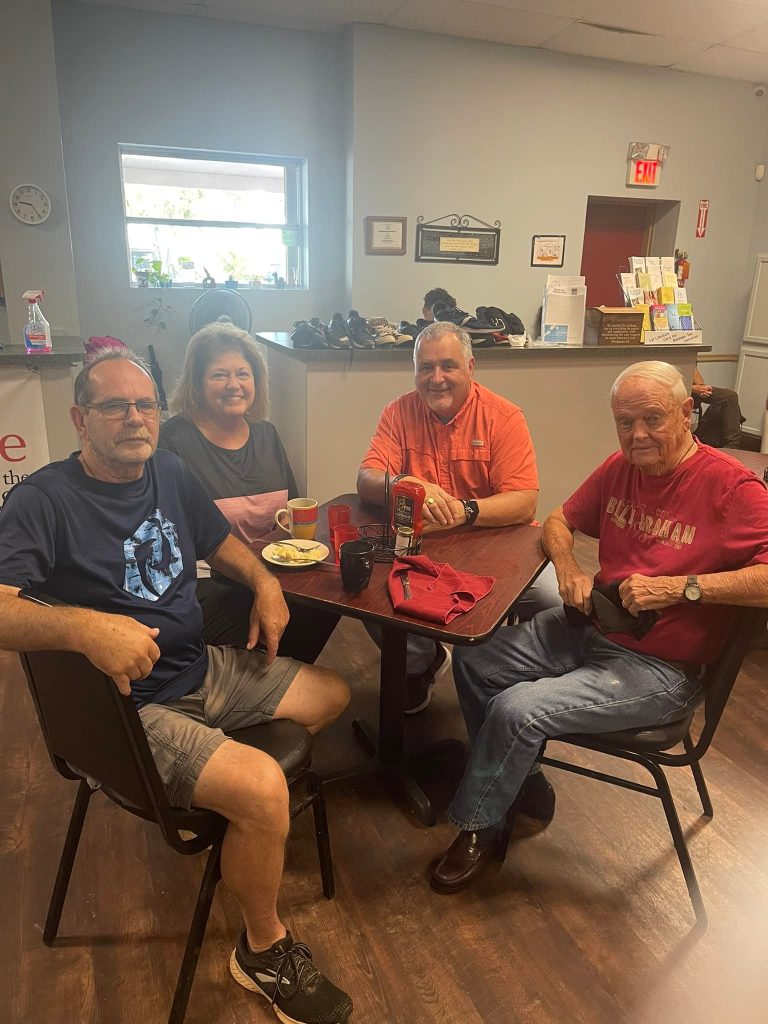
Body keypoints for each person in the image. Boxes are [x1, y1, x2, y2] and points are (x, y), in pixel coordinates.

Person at [0, 350, 353, 1024]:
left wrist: (265, 581)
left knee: (331, 693)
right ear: (80, 418)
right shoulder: (42, 500)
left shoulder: (168, 470)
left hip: (199, 667)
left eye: (146, 405)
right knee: (263, 788)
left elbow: (218, 542)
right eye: (114, 406)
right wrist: (85, 628)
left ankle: (235, 805)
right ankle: (262, 950)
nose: (135, 418)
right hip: (127, 708)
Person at [429, 360, 768, 895]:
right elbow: (558, 520)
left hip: (662, 668)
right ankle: (520, 779)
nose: (637, 435)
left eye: (652, 419)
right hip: (594, 628)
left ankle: (479, 825)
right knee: (474, 656)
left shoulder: (731, 488)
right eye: (624, 423)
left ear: (686, 413)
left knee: (517, 708)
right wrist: (568, 567)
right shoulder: (620, 468)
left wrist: (682, 588)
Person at [357, 321, 561, 820]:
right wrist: (405, 483)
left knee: (554, 600)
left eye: (448, 365)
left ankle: (523, 692)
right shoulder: (397, 412)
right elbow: (366, 478)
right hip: (424, 548)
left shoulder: (504, 416)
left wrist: (466, 511)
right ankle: (420, 663)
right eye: (425, 367)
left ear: (471, 366)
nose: (437, 378)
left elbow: (524, 501)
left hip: (498, 543)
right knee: (365, 589)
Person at [157, 321, 339, 662]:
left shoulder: (267, 434)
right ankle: (263, 677)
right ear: (197, 382)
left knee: (333, 595)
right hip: (208, 583)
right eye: (219, 375)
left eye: (243, 374)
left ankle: (280, 676)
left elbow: (292, 511)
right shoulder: (171, 443)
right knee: (272, 627)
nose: (234, 385)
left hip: (271, 571)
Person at [691, 367, 744, 448]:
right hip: (676, 391)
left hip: (693, 390)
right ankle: (731, 445)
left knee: (730, 397)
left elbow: (693, 370)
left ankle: (731, 446)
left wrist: (702, 387)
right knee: (725, 402)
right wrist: (693, 388)